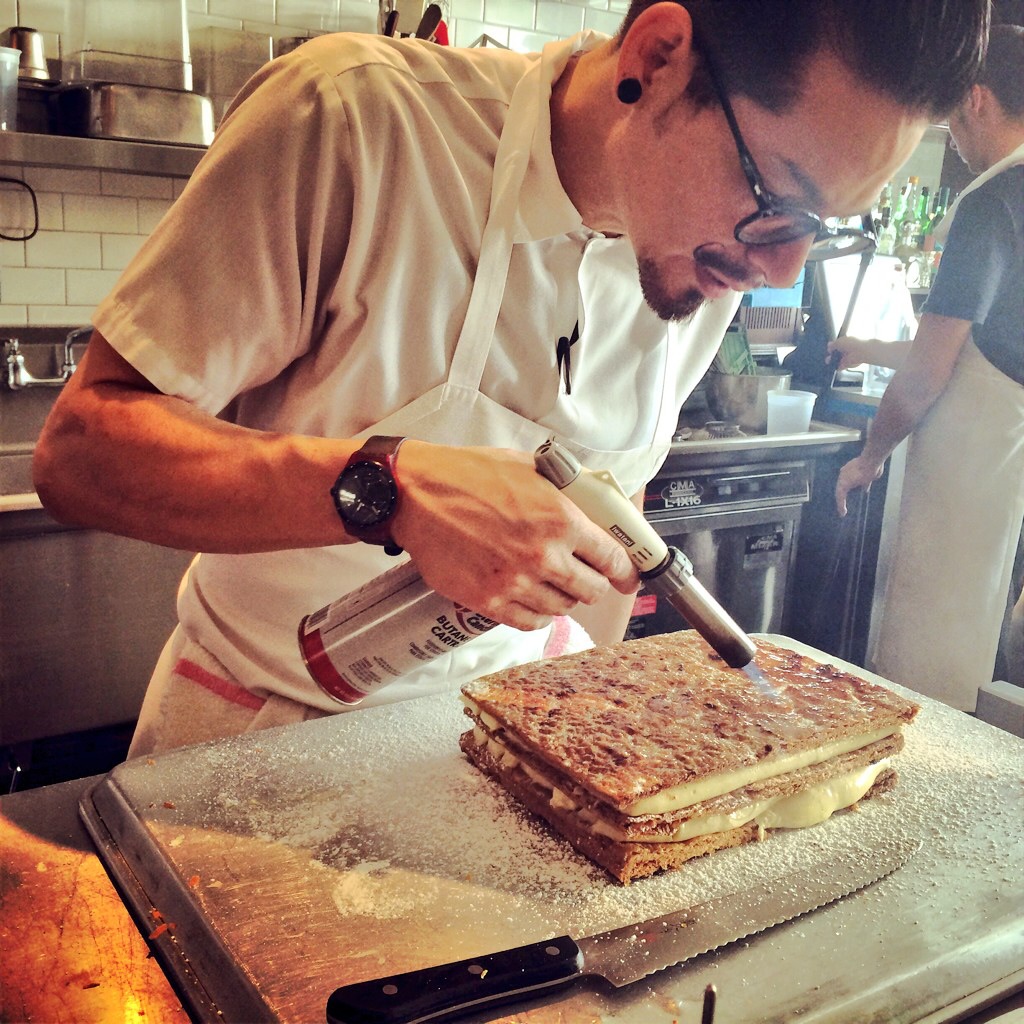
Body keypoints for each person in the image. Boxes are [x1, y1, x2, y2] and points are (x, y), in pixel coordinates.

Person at [32, 0, 989, 755]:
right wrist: (393, 489)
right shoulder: (357, 121)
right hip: (254, 731)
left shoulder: (707, 257)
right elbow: (81, 452)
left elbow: (611, 514)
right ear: (657, 58)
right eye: (778, 197)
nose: (779, 267)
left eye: (822, 226)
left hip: (502, 745)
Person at [832, 23, 1024, 713]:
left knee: (928, 673)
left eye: (948, 108)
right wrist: (868, 348)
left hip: (969, 479)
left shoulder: (990, 204)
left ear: (976, 98)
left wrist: (871, 454)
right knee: (981, 665)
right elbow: (987, 342)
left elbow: (928, 373)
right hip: (1007, 472)